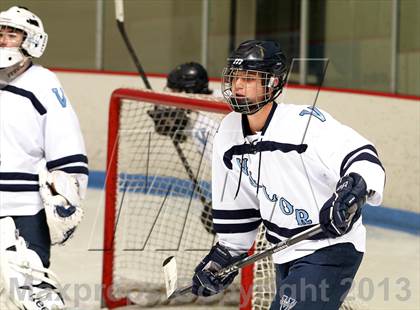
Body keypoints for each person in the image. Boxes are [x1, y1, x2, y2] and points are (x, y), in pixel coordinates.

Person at [191, 40, 385, 310]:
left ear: (272, 83)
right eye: (235, 77)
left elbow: (361, 155)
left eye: (248, 78)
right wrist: (225, 255)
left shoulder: (304, 123)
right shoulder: (228, 132)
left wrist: (350, 194)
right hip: (283, 252)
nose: (237, 85)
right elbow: (239, 206)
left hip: (330, 246)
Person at [0, 6, 88, 309]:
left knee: (30, 286)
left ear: (31, 41)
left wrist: (69, 187)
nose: (2, 40)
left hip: (22, 207)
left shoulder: (42, 82)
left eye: (11, 34)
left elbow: (65, 138)